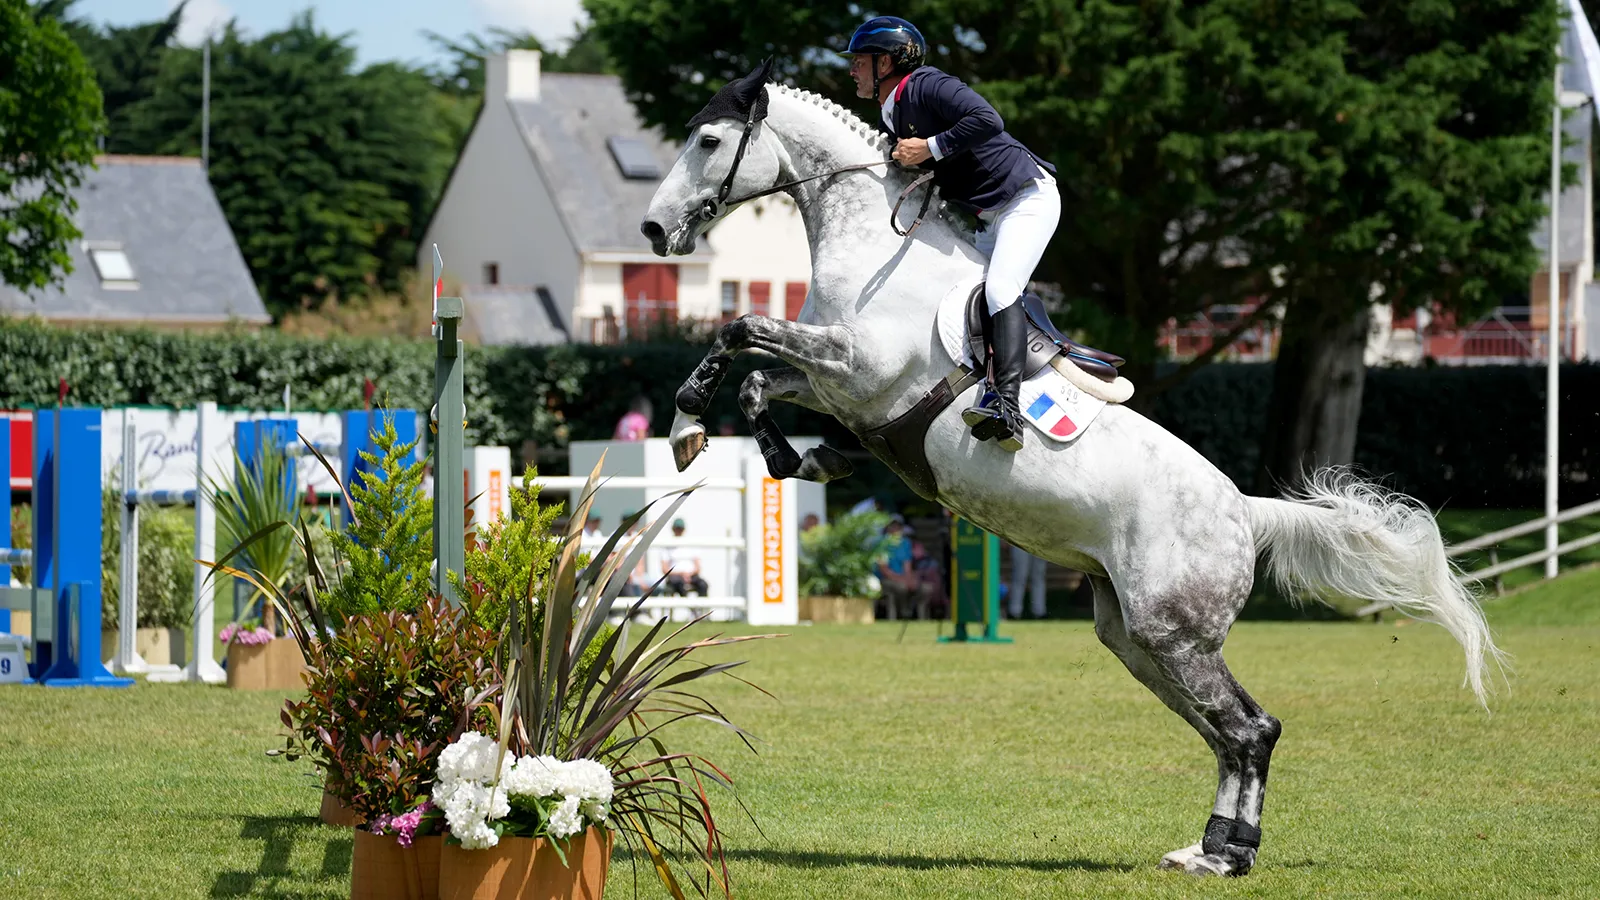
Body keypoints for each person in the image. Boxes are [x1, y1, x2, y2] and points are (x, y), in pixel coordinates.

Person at [845, 16, 1060, 453]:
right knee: (956, 298)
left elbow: (988, 119)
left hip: (1025, 198)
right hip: (987, 218)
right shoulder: (893, 111)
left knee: (1001, 289)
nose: (852, 70)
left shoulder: (927, 84)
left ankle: (1007, 407)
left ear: (885, 62)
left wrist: (930, 147)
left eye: (859, 61)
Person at [660, 517, 709, 596]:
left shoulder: (690, 544)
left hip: (691, 576)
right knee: (680, 585)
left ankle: (702, 607)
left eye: (680, 529)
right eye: (677, 528)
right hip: (675, 577)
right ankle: (691, 607)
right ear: (673, 529)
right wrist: (680, 574)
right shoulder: (667, 546)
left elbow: (698, 567)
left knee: (703, 585)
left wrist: (689, 574)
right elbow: (664, 569)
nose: (678, 531)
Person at [1008, 544, 1048, 620]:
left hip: (1039, 543)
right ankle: (1014, 612)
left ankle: (1039, 611)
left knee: (1038, 577)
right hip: (1019, 541)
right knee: (1019, 577)